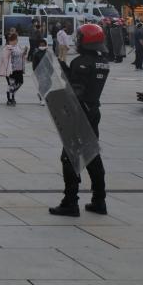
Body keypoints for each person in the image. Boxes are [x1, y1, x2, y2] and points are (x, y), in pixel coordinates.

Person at [49, 23, 110, 217]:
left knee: (69, 158)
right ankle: (99, 200)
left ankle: (70, 202)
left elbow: (74, 92)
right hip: (94, 111)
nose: (78, 41)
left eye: (80, 37)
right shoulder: (103, 61)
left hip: (79, 114)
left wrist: (61, 72)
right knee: (92, 155)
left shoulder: (81, 62)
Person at [0, 32, 27, 106]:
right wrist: (22, 53)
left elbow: (21, 54)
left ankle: (10, 92)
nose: (17, 41)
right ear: (12, 40)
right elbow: (13, 54)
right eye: (15, 39)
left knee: (20, 82)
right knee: (11, 84)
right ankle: (10, 99)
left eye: (17, 39)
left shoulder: (18, 46)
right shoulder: (8, 47)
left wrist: (24, 53)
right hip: (11, 69)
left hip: (19, 68)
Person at [31, 38, 48, 106]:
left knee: (48, 84)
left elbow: (50, 62)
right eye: (41, 45)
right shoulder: (36, 53)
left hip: (47, 72)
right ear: (38, 46)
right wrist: (36, 72)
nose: (42, 46)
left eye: (43, 45)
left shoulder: (47, 52)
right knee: (42, 84)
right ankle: (42, 99)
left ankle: (41, 94)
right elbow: (34, 64)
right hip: (39, 72)